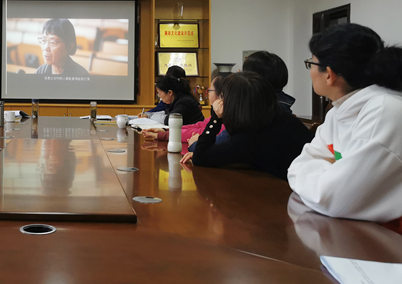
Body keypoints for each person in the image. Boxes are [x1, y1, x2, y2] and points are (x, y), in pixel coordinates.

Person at [288, 23, 402, 222]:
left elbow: (332, 198)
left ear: (329, 74)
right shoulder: (338, 112)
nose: (310, 71)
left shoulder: (385, 112)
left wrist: (326, 174)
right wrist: (329, 176)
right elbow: (296, 168)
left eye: (311, 63)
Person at [181, 72, 313, 180]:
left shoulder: (249, 137)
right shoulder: (281, 119)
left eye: (223, 97)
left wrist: (216, 118)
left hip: (293, 195)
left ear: (234, 104)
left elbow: (200, 157)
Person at [143, 73, 225, 143]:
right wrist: (166, 130)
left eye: (210, 90)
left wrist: (164, 135)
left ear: (221, 95)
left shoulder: (185, 102)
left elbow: (201, 132)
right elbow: (200, 125)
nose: (208, 93)